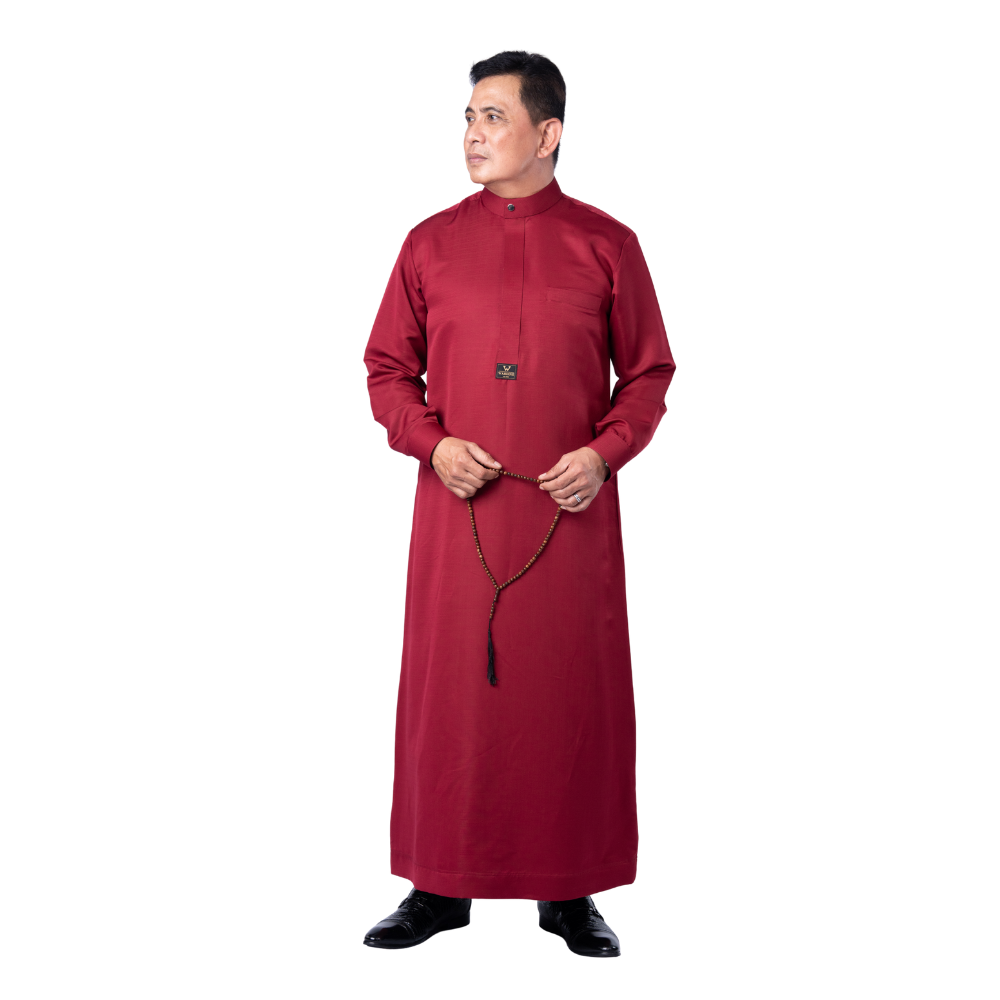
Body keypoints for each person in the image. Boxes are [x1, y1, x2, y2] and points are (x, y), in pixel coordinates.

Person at [361, 50, 676, 957]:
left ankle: (570, 892)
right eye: (468, 117)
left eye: (493, 117)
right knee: (451, 696)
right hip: (454, 520)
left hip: (567, 518)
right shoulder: (427, 244)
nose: (472, 134)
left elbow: (648, 374)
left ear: (549, 134)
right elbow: (386, 370)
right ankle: (436, 885)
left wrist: (604, 455)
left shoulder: (608, 245)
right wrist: (432, 442)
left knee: (567, 695)